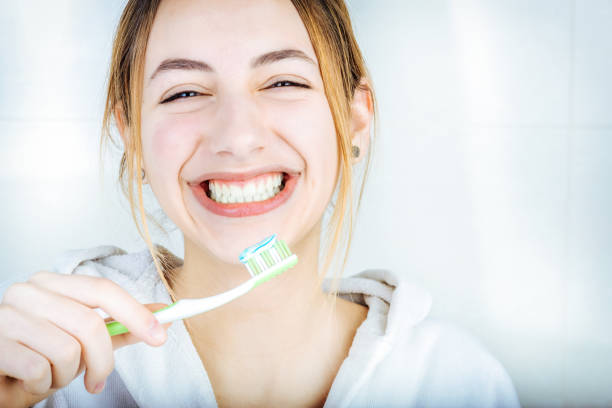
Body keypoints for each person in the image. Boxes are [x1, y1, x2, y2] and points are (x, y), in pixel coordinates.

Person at [0, 0, 521, 407]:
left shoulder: (457, 382)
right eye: (184, 93)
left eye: (283, 81)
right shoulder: (48, 376)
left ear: (355, 116)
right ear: (130, 132)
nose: (238, 136)